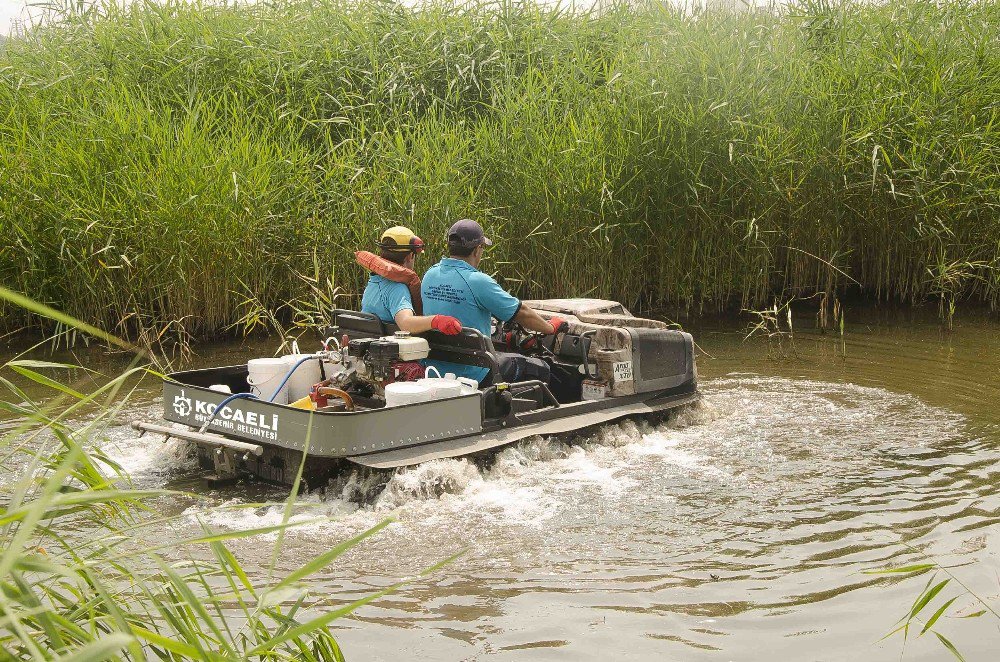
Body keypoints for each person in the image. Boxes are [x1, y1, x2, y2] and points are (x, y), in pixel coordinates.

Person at [421, 219, 567, 384]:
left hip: (436, 369)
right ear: (477, 249)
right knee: (540, 367)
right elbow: (522, 313)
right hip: (475, 373)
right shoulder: (478, 281)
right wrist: (550, 327)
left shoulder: (430, 274)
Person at [358, 226, 462, 335]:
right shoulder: (397, 288)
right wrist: (437, 320)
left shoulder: (374, 280)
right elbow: (406, 323)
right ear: (410, 256)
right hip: (388, 347)